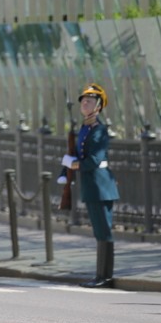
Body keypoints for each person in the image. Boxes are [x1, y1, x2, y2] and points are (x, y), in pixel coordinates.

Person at [62, 83, 120, 288]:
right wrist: (66, 170)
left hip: (100, 186)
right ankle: (100, 274)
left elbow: (94, 160)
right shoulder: (85, 128)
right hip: (91, 186)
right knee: (98, 231)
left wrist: (73, 165)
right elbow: (78, 153)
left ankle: (105, 276)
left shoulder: (99, 130)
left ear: (99, 106)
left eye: (90, 100)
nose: (85, 103)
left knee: (104, 231)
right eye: (83, 100)